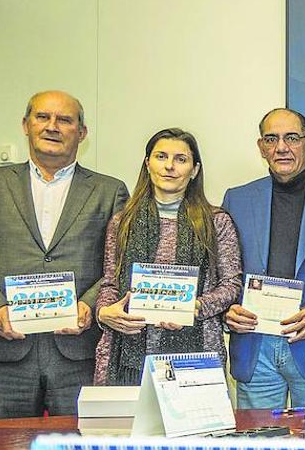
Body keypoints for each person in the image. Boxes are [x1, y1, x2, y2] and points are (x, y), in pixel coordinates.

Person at [0, 90, 128, 418]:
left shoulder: (109, 190)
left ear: (82, 133)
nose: (52, 126)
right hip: (7, 348)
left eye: (65, 120)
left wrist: (89, 304)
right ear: (26, 125)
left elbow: (120, 262)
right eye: (43, 117)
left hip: (78, 349)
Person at [94, 128, 242, 385]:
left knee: (194, 424)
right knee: (125, 426)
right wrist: (105, 311)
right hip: (126, 351)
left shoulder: (216, 222)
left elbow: (231, 285)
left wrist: (196, 307)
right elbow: (110, 282)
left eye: (180, 159)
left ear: (194, 170)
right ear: (147, 163)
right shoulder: (123, 221)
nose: (169, 166)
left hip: (198, 348)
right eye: (161, 157)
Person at [223, 108, 305, 409]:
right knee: (257, 447)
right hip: (255, 345)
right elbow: (224, 270)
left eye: (292, 138)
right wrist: (227, 310)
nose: (281, 147)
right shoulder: (236, 199)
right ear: (261, 147)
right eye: (271, 139)